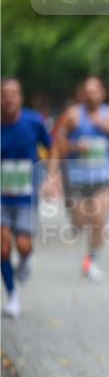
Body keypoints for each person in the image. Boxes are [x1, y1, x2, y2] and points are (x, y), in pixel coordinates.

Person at [51, 76, 109, 282]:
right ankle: (76, 222)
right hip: (77, 178)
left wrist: (108, 129)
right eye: (88, 91)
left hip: (102, 177)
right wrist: (75, 147)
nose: (91, 95)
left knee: (99, 220)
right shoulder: (73, 115)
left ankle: (92, 261)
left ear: (102, 93)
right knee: (80, 223)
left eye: (95, 91)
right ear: (83, 94)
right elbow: (58, 143)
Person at [1, 78, 52, 318]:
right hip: (1, 197)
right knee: (2, 248)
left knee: (23, 246)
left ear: (20, 97)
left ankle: (25, 259)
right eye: (4, 94)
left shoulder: (33, 122)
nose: (8, 98)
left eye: (13, 93)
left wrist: (51, 176)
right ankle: (12, 295)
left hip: (26, 196)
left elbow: (52, 148)